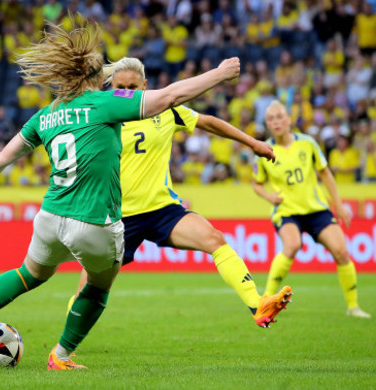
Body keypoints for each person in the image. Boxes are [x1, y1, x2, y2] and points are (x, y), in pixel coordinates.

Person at [0, 21, 243, 370]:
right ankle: (60, 356)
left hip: (49, 217)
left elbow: (5, 156)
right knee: (99, 286)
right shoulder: (105, 102)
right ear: (96, 80)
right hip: (94, 222)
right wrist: (218, 73)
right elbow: (170, 96)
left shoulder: (45, 115)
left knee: (27, 275)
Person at [66, 57, 292, 329]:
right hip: (118, 217)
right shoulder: (104, 113)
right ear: (110, 86)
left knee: (215, 239)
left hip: (163, 211)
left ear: (145, 85)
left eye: (133, 87)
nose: (126, 92)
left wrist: (252, 142)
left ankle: (257, 304)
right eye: (120, 86)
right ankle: (66, 346)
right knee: (89, 291)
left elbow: (208, 122)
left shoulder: (164, 108)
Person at [251, 101, 371, 319]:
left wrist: (339, 205)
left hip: (316, 209)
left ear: (289, 119)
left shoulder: (307, 143)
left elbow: (325, 173)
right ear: (267, 124)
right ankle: (266, 301)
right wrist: (269, 196)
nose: (276, 122)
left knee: (342, 252)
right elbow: (256, 183)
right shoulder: (263, 150)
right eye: (271, 119)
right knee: (293, 244)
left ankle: (353, 307)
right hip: (287, 211)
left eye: (279, 117)